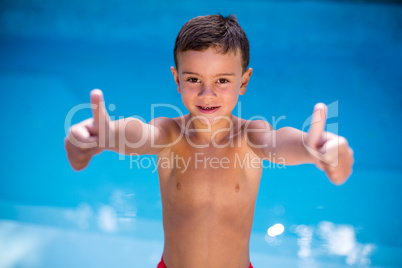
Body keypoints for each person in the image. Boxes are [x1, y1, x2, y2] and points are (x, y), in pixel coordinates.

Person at [65, 14, 354, 268]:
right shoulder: (170, 134)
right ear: (176, 79)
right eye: (193, 80)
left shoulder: (251, 136)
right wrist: (107, 135)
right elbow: (140, 134)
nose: (207, 94)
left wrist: (312, 149)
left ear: (243, 82)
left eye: (222, 81)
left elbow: (277, 142)